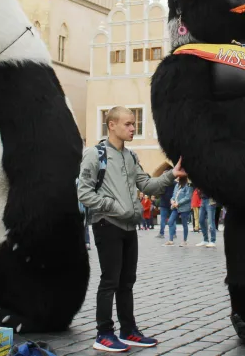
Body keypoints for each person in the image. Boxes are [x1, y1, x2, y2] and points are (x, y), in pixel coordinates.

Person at [78, 106, 183, 352]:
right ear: (111, 125)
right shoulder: (95, 154)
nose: (133, 128)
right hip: (107, 224)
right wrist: (113, 206)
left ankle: (128, 331)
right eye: (128, 124)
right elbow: (84, 193)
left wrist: (172, 175)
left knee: (127, 281)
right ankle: (104, 334)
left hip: (129, 226)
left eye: (134, 124)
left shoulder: (131, 156)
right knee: (110, 281)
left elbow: (147, 185)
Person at [164, 177, 193, 247]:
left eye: (179, 177)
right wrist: (172, 200)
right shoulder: (177, 185)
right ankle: (171, 240)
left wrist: (178, 203)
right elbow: (174, 195)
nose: (177, 178)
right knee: (170, 221)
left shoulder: (188, 186)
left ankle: (184, 241)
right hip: (175, 207)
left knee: (184, 224)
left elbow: (188, 197)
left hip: (184, 208)